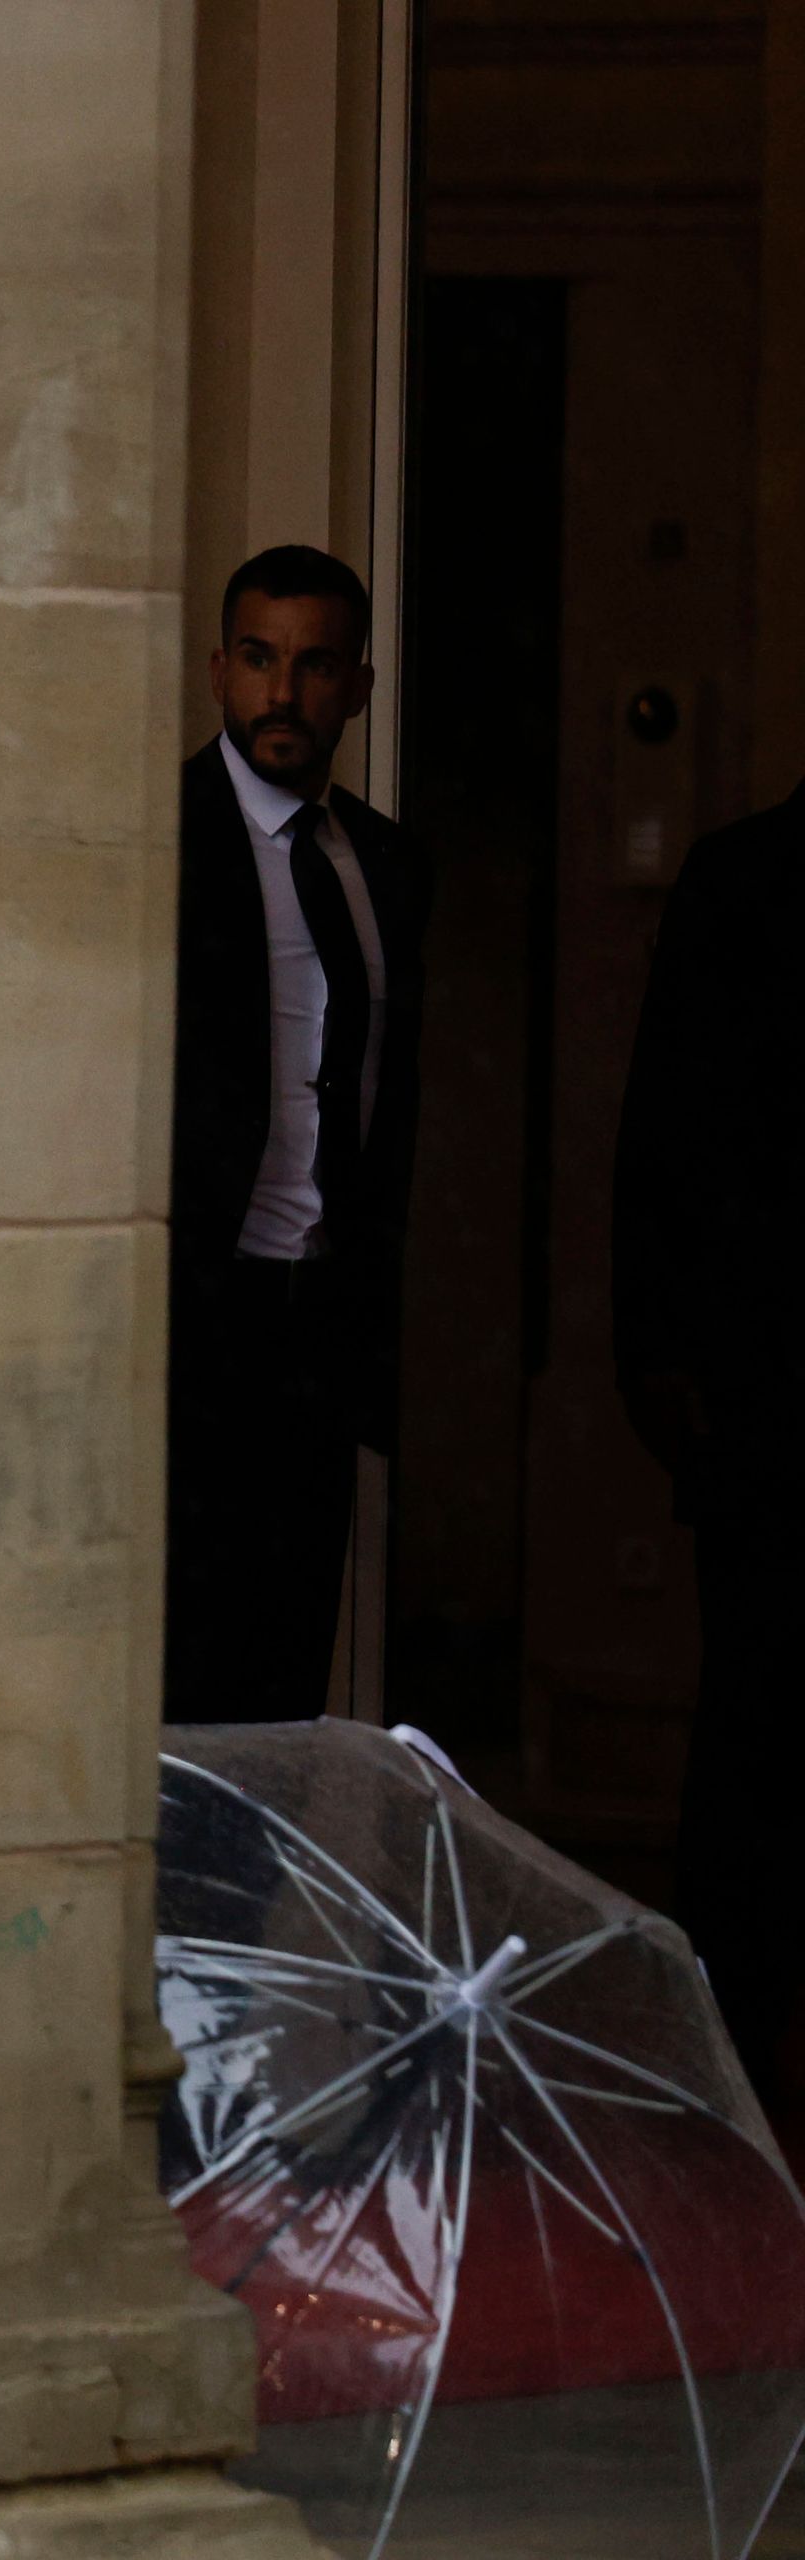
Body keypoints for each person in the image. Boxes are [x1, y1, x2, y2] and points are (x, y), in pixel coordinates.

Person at [163, 545, 431, 1724]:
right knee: (175, 1693)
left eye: (315, 665)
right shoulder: (155, 840)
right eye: (261, 660)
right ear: (220, 671)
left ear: (357, 688)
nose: (283, 694)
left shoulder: (385, 864)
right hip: (189, 1334)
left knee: (287, 1686)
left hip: (317, 1337)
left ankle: (256, 1914)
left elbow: (392, 1110)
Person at [615, 778, 805, 2100]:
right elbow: (666, 1141)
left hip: (753, 1387)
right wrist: (662, 1369)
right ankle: (723, 2051)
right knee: (755, 1723)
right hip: (768, 1392)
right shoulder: (740, 881)